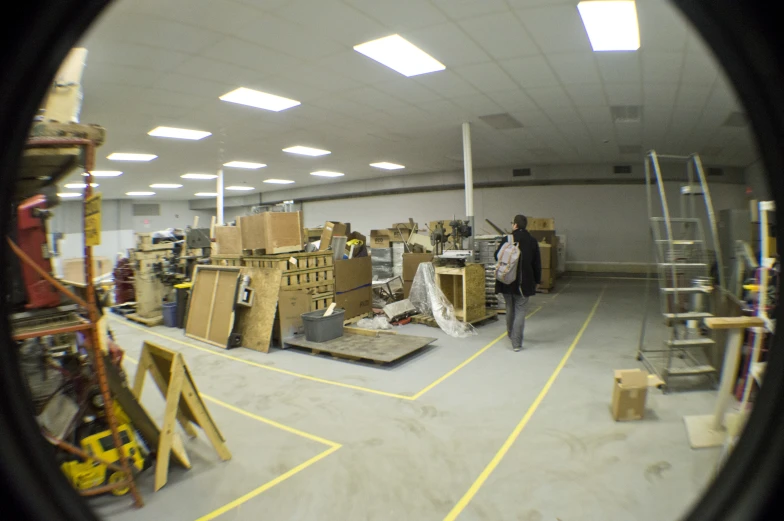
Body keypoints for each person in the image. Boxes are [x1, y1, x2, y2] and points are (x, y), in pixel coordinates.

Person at [494, 214, 541, 351]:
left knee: (509, 307)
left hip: (507, 281)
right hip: (524, 283)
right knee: (520, 310)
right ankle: (517, 343)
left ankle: (510, 334)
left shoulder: (507, 239)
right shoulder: (532, 241)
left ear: (515, 225)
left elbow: (496, 256)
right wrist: (537, 280)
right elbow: (537, 263)